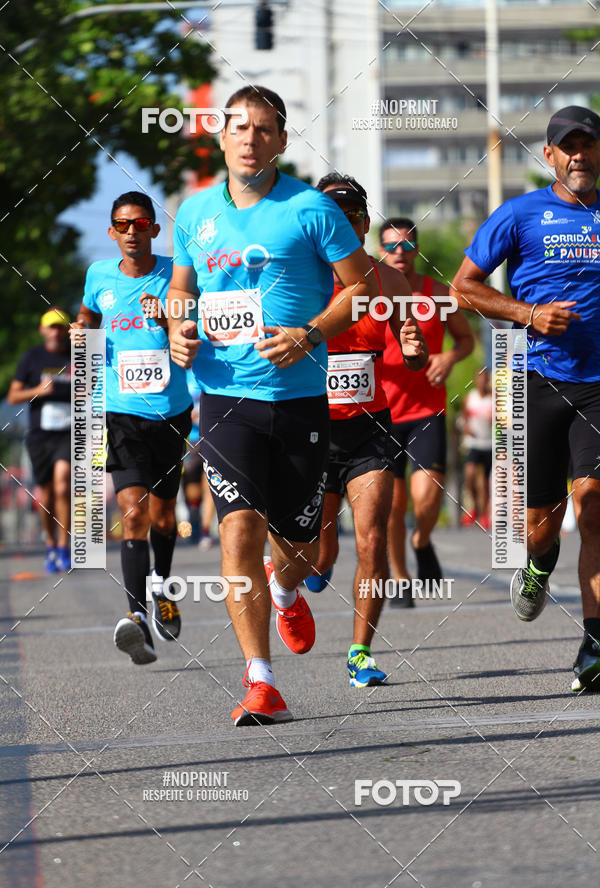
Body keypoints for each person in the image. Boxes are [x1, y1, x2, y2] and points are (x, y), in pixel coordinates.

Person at [166, 85, 380, 725]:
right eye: (240, 127)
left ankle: (286, 589)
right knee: (238, 530)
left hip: (300, 400)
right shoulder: (193, 213)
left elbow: (362, 288)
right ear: (221, 137)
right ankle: (261, 681)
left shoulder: (313, 210)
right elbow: (182, 290)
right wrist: (177, 328)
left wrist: (309, 334)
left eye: (264, 129)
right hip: (225, 396)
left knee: (300, 545)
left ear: (282, 140)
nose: (250, 138)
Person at [452, 105, 600, 693]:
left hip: (597, 385)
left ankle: (593, 642)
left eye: (589, 145)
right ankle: (537, 566)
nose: (580, 155)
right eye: (569, 146)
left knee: (594, 508)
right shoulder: (519, 214)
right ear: (550, 155)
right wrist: (529, 313)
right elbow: (463, 287)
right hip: (536, 380)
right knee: (543, 523)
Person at [308, 173, 428, 686]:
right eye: (335, 214)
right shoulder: (298, 277)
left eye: (355, 214)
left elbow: (413, 347)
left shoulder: (388, 279)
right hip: (309, 427)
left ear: (364, 223)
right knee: (321, 551)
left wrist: (416, 349)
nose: (347, 223)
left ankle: (360, 653)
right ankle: (308, 571)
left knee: (374, 538)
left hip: (370, 426)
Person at [71, 191, 192, 665]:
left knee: (165, 518)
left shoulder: (176, 275)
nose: (132, 233)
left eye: (141, 224)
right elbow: (88, 315)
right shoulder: (98, 275)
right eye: (122, 225)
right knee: (134, 514)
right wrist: (82, 331)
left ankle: (162, 585)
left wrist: (166, 317)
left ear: (154, 230)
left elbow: (194, 327)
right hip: (119, 412)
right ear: (112, 232)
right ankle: (137, 618)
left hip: (171, 411)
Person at [379, 217, 474, 606]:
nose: (399, 253)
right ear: (381, 250)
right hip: (380, 411)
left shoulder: (437, 292)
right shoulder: (372, 292)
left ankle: (421, 540)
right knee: (392, 505)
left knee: (428, 496)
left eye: (406, 245)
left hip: (426, 408)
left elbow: (466, 340)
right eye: (391, 246)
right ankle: (401, 579)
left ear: (416, 250)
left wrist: (450, 357)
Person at [8, 308, 72, 572]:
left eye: (60, 327)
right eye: (51, 327)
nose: (56, 332)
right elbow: (13, 396)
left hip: (70, 431)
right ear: (43, 330)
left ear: (66, 331)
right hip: (40, 434)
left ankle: (64, 546)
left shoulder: (77, 356)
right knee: (45, 494)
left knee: (62, 486)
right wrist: (38, 390)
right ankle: (50, 543)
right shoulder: (31, 358)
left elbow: (96, 388)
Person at [182, 370, 216, 548]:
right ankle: (194, 514)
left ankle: (205, 530)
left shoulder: (212, 367)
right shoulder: (181, 372)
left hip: (212, 436)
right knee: (191, 486)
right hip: (191, 438)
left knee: (210, 483)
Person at [459, 368, 493, 529]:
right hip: (473, 443)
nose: (482, 381)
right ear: (475, 379)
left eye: (485, 378)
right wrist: (465, 427)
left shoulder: (494, 398)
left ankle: (484, 514)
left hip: (489, 444)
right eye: (480, 378)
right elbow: (463, 418)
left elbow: (501, 420)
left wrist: (495, 422)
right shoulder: (469, 398)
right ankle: (473, 507)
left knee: (485, 482)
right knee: (470, 474)